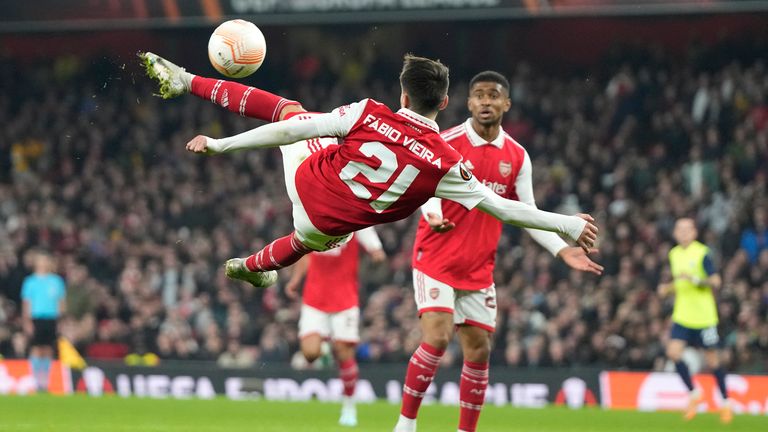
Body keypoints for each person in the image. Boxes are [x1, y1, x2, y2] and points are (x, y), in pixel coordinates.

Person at [141, 52, 598, 285]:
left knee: (291, 112)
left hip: (308, 181)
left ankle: (185, 81)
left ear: (403, 95)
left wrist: (221, 145)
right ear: (444, 103)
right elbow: (504, 209)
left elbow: (290, 133)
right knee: (309, 239)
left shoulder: (368, 113)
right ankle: (252, 266)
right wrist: (566, 225)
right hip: (327, 228)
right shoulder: (446, 164)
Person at [395, 71, 604, 432]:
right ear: (468, 102)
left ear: (506, 103)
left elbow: (527, 213)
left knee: (478, 351)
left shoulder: (517, 157)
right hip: (436, 259)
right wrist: (432, 212)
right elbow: (418, 188)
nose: (486, 102)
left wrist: (561, 251)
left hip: (478, 268)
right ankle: (406, 424)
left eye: (494, 96)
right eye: (479, 95)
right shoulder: (445, 142)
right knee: (439, 336)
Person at [285, 227, 386, 427]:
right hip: (314, 299)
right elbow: (303, 253)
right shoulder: (311, 218)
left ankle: (349, 406)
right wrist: (295, 281)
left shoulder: (358, 222)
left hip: (345, 300)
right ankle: (327, 343)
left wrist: (373, 257)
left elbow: (378, 253)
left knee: (344, 352)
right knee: (310, 353)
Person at [657, 218, 732, 423]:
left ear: (694, 232)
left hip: (704, 317)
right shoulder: (674, 254)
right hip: (682, 315)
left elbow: (716, 281)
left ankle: (726, 402)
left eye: (686, 229)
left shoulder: (702, 253)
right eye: (679, 229)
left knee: (713, 361)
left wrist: (696, 280)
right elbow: (679, 280)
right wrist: (667, 288)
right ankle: (694, 394)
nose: (682, 232)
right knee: (672, 352)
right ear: (674, 233)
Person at [21, 252, 66, 392]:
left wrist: (61, 320)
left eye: (46, 261)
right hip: (36, 318)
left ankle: (45, 381)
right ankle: (35, 379)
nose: (43, 264)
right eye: (41, 261)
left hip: (51, 318)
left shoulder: (56, 281)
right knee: (36, 348)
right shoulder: (30, 281)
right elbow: (26, 303)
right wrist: (27, 321)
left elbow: (61, 302)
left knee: (48, 349)